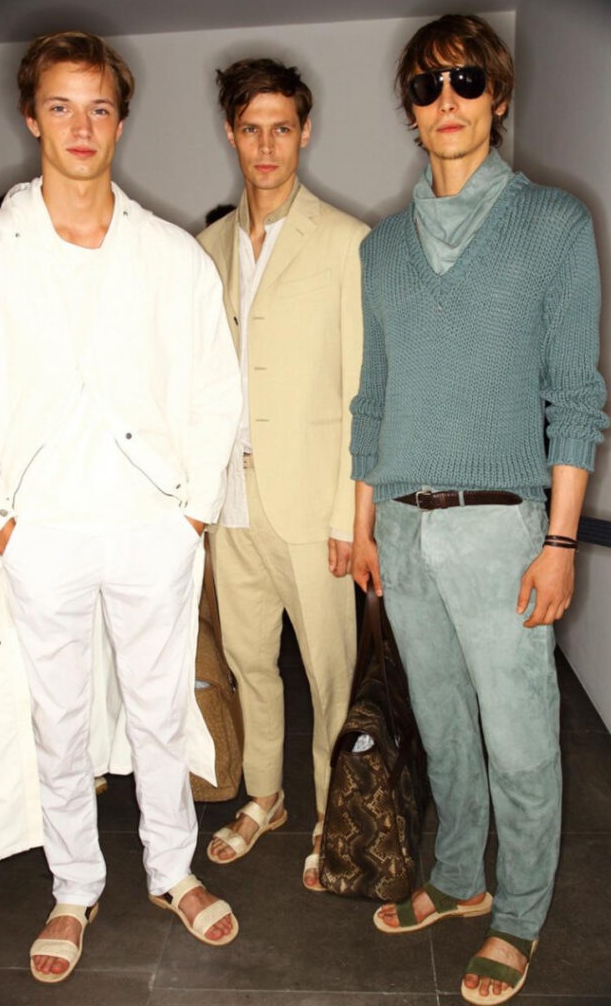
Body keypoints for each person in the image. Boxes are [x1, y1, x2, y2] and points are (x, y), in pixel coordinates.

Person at [0, 30, 242, 983]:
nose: (81, 126)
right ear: (32, 118)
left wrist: (191, 514)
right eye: (61, 107)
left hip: (152, 527)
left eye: (99, 107)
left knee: (160, 709)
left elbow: (216, 390)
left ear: (120, 120)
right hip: (41, 536)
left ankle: (172, 869)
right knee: (57, 722)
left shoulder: (169, 256)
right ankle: (74, 886)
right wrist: (0, 525)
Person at [350, 14, 607, 1006]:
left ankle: (520, 913)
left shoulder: (553, 223)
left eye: (465, 79)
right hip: (403, 525)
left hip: (503, 528)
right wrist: (366, 527)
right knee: (444, 728)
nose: (446, 100)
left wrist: (559, 541)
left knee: (522, 736)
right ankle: (459, 878)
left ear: (496, 96)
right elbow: (373, 399)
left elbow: (575, 397)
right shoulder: (381, 249)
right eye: (426, 86)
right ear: (410, 111)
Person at [198, 58, 368, 888]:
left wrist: (347, 515)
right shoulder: (204, 249)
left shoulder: (345, 241)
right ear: (230, 134)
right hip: (229, 497)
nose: (266, 146)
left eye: (281, 128)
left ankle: (333, 810)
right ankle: (264, 796)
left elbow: (363, 388)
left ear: (304, 133)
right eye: (250, 128)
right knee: (249, 664)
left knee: (330, 675)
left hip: (312, 503)